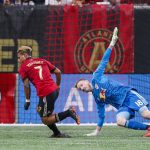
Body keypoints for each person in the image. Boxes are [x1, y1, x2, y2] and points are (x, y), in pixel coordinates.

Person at [75, 27, 150, 137]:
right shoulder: (97, 97)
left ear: (86, 81)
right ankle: (148, 128)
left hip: (129, 95)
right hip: (123, 106)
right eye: (80, 89)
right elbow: (101, 115)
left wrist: (112, 43)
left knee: (145, 114)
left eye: (81, 85)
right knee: (120, 121)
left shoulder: (96, 76)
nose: (82, 88)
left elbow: (104, 60)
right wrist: (97, 131)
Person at [17, 46, 80, 138]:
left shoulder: (23, 67)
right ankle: (57, 133)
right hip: (53, 90)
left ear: (25, 55)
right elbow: (58, 72)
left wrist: (27, 100)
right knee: (41, 111)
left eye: (19, 57)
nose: (18, 60)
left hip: (46, 93)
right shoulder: (42, 61)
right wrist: (58, 85)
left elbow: (26, 85)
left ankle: (68, 113)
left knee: (45, 119)